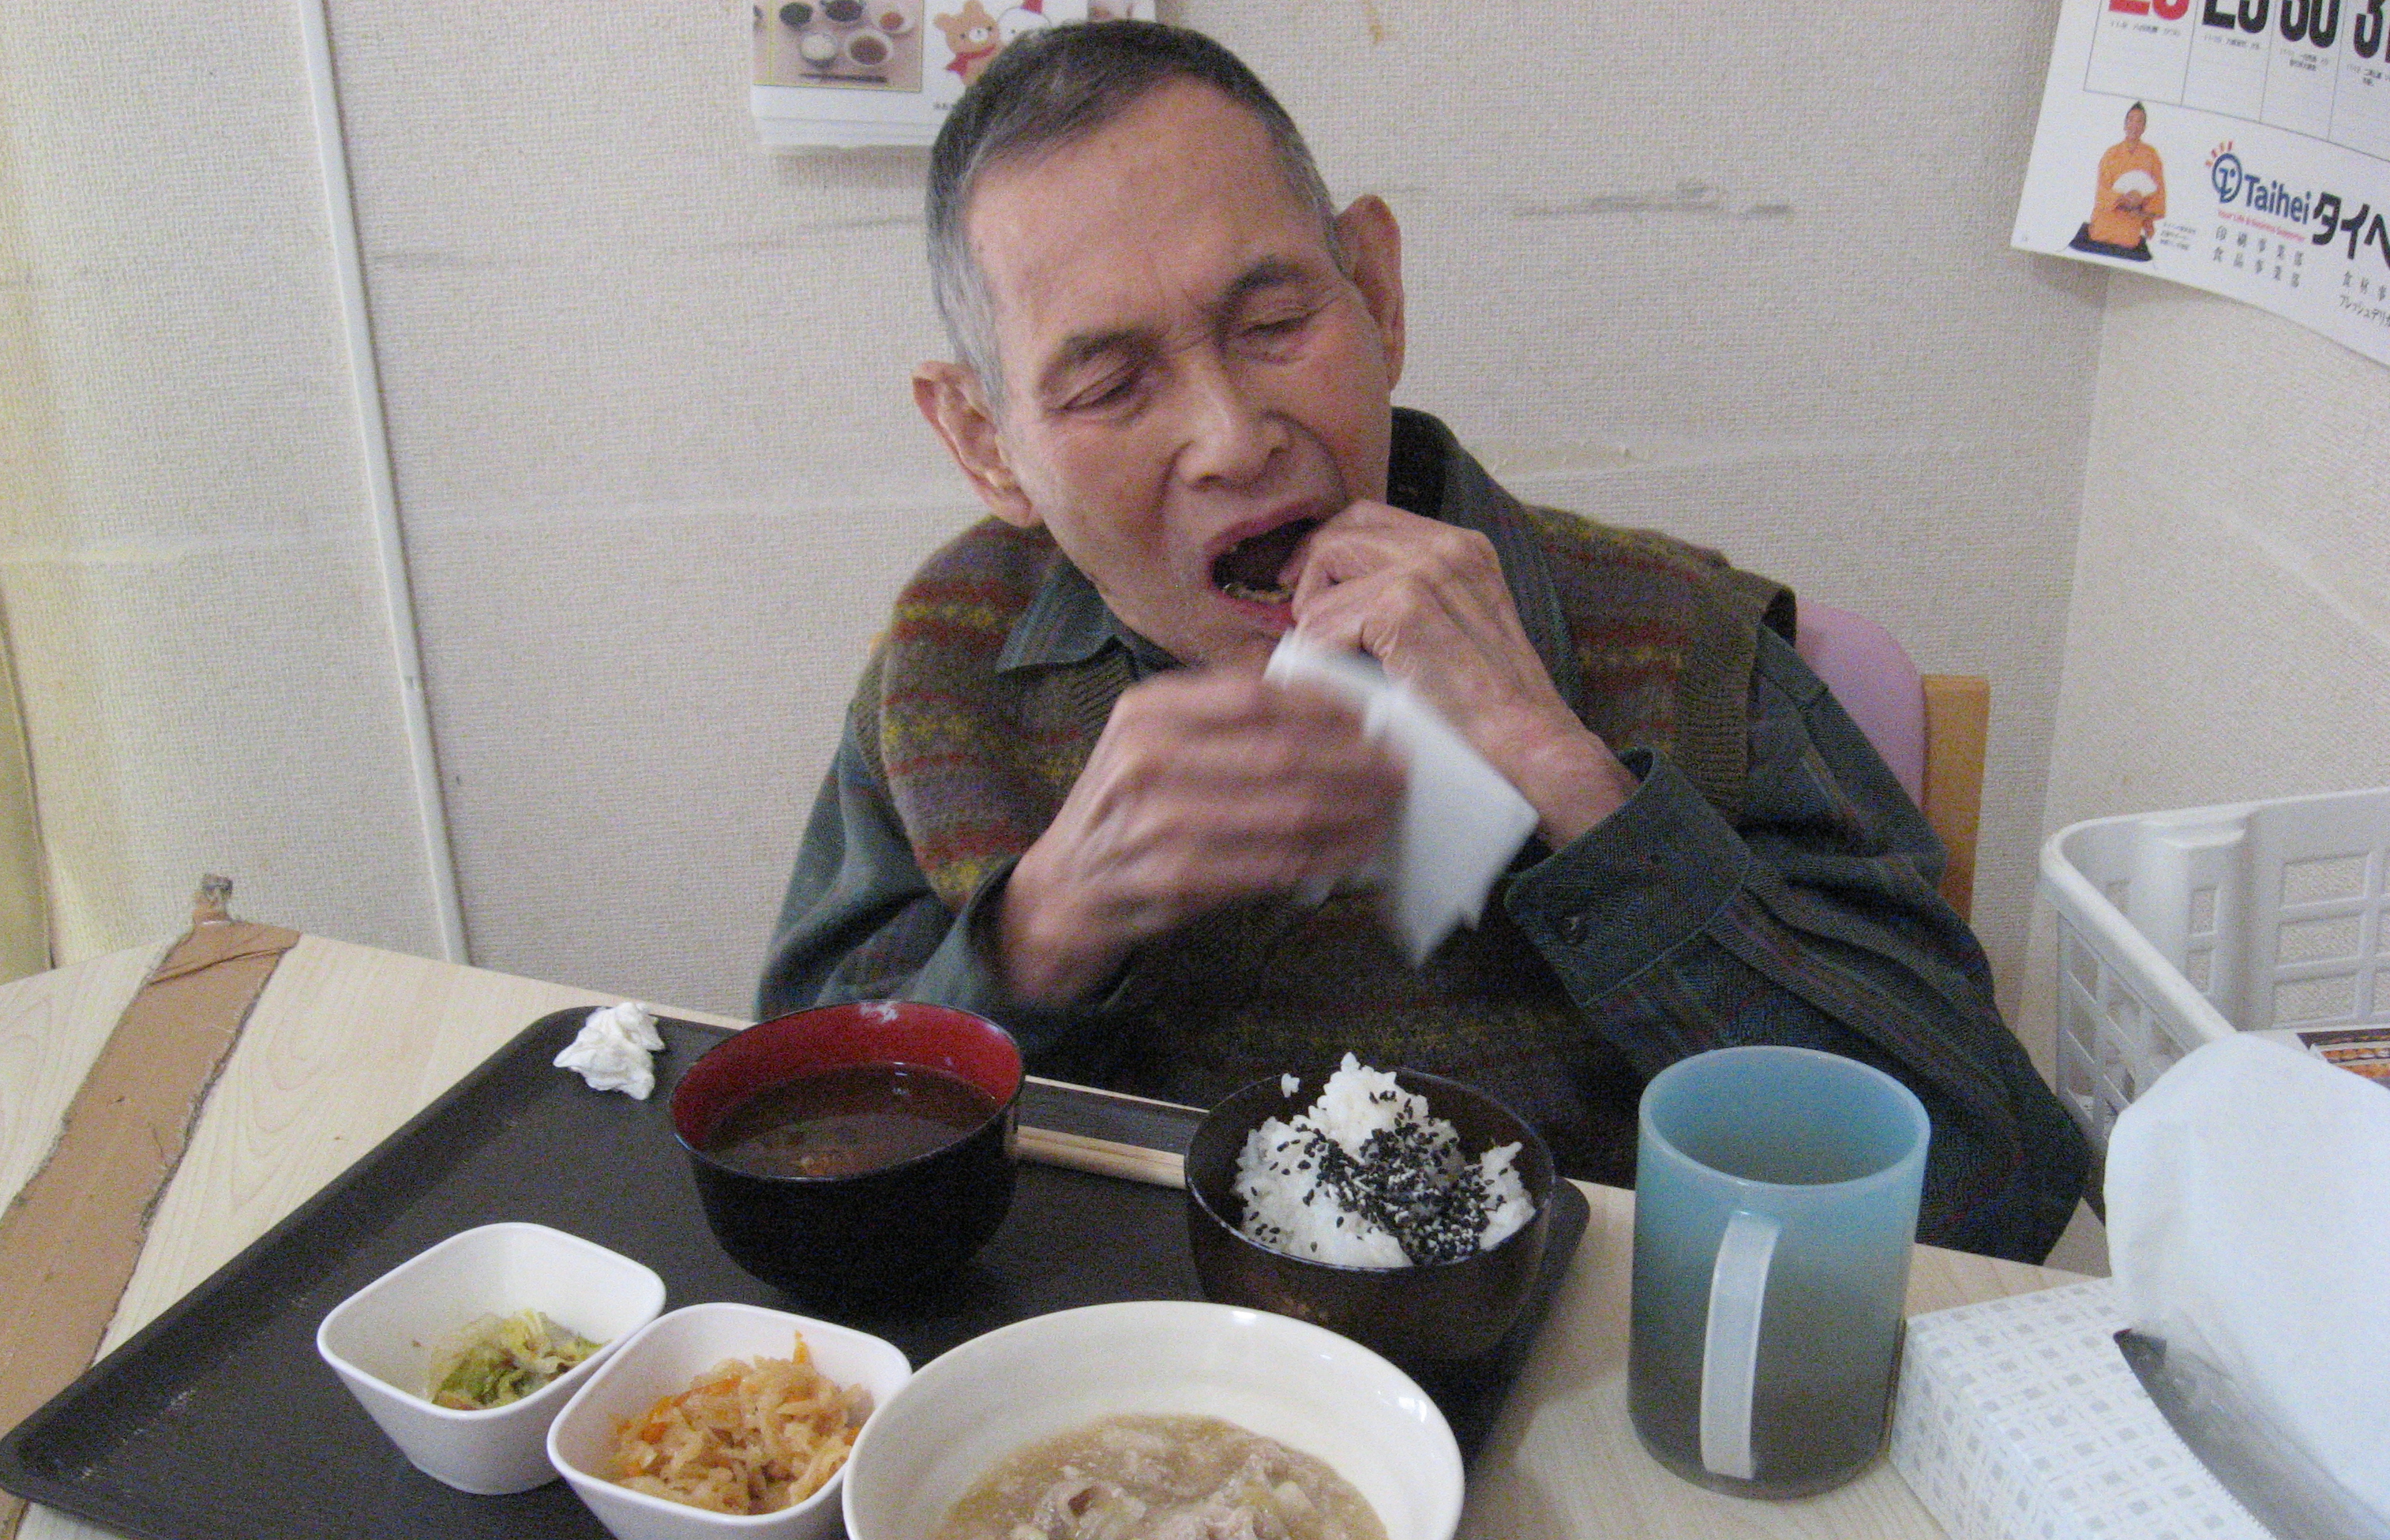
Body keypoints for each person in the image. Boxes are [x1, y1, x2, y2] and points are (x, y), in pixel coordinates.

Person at [762, 21, 2091, 1261]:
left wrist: (1567, 776)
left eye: (1275, 326)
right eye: (1112, 385)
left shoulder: (1685, 649)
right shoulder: (953, 662)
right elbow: (801, 1163)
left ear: (1378, 291)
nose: (1232, 438)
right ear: (986, 442)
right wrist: (1038, 933)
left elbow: (1996, 1194)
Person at [2069, 103, 2164, 263]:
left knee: (2129, 240)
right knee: (2099, 233)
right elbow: (2102, 191)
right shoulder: (2111, 154)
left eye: (2139, 121)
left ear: (2144, 127)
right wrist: (2122, 199)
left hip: (2133, 219)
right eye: (2131, 120)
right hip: (2108, 215)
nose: (2134, 125)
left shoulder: (2151, 156)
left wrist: (2143, 214)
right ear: (2125, 125)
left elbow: (2157, 194)